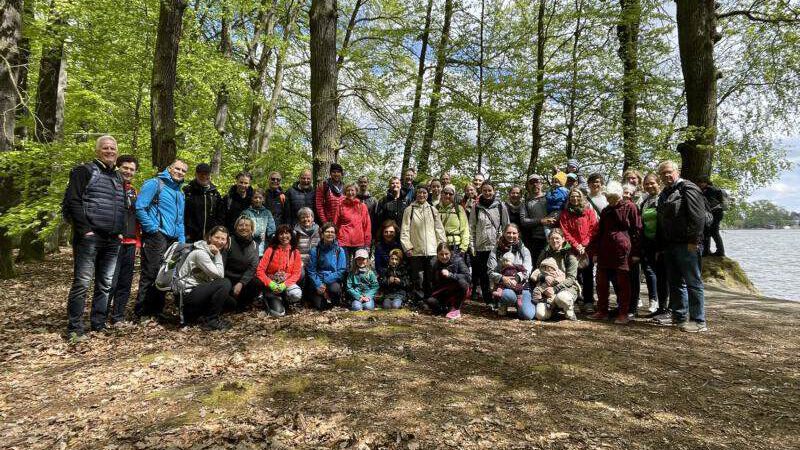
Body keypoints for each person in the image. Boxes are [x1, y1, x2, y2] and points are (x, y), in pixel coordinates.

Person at [62, 135, 126, 341]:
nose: (110, 151)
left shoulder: (117, 177)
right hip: (90, 238)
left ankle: (98, 323)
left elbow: (121, 206)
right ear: (98, 151)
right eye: (105, 148)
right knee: (82, 282)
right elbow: (72, 201)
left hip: (112, 239)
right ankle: (75, 327)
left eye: (113, 148)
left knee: (105, 283)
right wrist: (85, 230)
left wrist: (120, 231)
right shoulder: (85, 171)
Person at [655, 160, 708, 332]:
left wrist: (694, 241)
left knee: (693, 282)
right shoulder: (664, 193)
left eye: (669, 172)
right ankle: (678, 317)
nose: (666, 175)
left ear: (676, 171)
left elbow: (698, 217)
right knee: (675, 282)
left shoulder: (688, 188)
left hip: (688, 244)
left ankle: (699, 321)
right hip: (670, 245)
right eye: (663, 173)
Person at [134, 159, 187, 322]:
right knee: (150, 273)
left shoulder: (180, 192)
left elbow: (179, 220)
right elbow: (140, 206)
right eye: (177, 168)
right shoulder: (155, 183)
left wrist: (182, 240)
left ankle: (157, 310)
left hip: (173, 238)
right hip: (156, 236)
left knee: (166, 274)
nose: (180, 172)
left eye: (184, 171)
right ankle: (142, 312)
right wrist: (152, 228)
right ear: (169, 168)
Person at [588, 181, 641, 325]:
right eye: (608, 197)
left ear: (619, 196)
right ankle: (602, 311)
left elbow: (636, 230)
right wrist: (595, 252)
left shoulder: (630, 207)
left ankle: (623, 313)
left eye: (612, 197)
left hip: (623, 252)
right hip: (605, 251)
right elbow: (600, 232)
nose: (610, 200)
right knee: (601, 282)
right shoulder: (606, 210)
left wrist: (636, 252)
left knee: (623, 283)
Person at [178, 226, 232, 330]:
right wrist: (218, 255)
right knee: (225, 283)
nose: (220, 241)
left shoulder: (211, 252)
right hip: (186, 297)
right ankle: (211, 320)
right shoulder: (200, 253)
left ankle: (200, 315)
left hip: (198, 292)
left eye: (223, 239)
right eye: (217, 237)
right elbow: (220, 276)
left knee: (231, 303)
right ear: (210, 238)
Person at [107, 154, 140, 327]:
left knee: (125, 283)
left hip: (131, 243)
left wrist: (138, 242)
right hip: (112, 242)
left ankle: (118, 316)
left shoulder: (134, 191)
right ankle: (101, 316)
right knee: (109, 281)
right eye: (125, 168)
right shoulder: (109, 186)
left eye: (132, 169)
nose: (128, 171)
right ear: (118, 167)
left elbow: (136, 217)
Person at [401, 185, 446, 301]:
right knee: (418, 277)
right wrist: (407, 247)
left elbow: (439, 229)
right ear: (416, 194)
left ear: (428, 194)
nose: (422, 195)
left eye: (424, 193)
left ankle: (431, 299)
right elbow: (404, 230)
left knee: (431, 277)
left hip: (432, 250)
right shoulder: (409, 210)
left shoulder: (433, 209)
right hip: (415, 250)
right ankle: (419, 301)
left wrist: (442, 247)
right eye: (419, 192)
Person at [525, 229, 580, 321]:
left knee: (562, 298)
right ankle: (553, 309)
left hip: (565, 287)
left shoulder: (570, 256)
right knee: (540, 315)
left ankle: (569, 310)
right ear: (548, 240)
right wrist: (543, 277)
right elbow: (537, 270)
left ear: (563, 239)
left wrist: (554, 289)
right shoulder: (545, 253)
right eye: (552, 238)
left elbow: (571, 279)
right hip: (546, 288)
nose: (554, 241)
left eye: (557, 238)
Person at [558, 187, 598, 312]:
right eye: (572, 196)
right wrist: (576, 245)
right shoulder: (565, 213)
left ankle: (588, 301)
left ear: (581, 198)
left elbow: (593, 229)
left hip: (587, 249)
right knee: (573, 276)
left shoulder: (588, 211)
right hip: (572, 250)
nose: (575, 198)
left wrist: (584, 244)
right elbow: (565, 231)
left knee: (587, 276)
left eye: (577, 196)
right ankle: (572, 301)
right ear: (569, 199)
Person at [470, 181, 509, 305]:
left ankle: (498, 300)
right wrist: (472, 245)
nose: (487, 193)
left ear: (494, 190)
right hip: (481, 246)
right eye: (484, 190)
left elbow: (506, 226)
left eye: (489, 190)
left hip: (496, 246)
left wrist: (504, 243)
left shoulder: (500, 206)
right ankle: (488, 301)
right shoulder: (476, 207)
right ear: (481, 191)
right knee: (484, 275)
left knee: (498, 273)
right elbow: (472, 227)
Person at [256, 225, 303, 316]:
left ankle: (287, 301)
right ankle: (268, 298)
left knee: (296, 294)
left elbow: (296, 273)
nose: (284, 236)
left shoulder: (295, 252)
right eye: (281, 234)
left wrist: (284, 285)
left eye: (287, 233)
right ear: (277, 236)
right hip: (271, 285)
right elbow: (260, 271)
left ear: (291, 235)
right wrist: (270, 283)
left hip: (286, 284)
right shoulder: (270, 250)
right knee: (279, 313)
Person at [639, 173, 669, 318]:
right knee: (657, 275)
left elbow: (664, 224)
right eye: (647, 184)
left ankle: (667, 309)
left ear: (659, 183)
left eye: (652, 183)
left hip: (661, 244)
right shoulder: (645, 201)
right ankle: (661, 308)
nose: (649, 186)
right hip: (648, 243)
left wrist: (661, 247)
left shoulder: (663, 198)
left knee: (664, 276)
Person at [487, 224, 532, 316]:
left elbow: (528, 269)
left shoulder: (524, 250)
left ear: (518, 234)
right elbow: (490, 271)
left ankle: (519, 306)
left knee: (527, 315)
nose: (511, 235)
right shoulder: (496, 250)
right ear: (503, 233)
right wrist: (503, 278)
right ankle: (503, 303)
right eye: (508, 233)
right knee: (507, 295)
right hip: (504, 286)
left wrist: (517, 278)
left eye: (514, 233)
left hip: (522, 286)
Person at [222, 216, 260, 311]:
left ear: (251, 229)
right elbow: (221, 264)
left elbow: (253, 267)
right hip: (227, 279)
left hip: (243, 280)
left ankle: (243, 303)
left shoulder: (255, 245)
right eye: (241, 225)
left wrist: (241, 283)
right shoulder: (229, 241)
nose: (244, 228)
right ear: (236, 227)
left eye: (247, 225)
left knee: (257, 282)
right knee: (230, 304)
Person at [307, 223, 347, 310]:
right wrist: (319, 284)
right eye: (327, 232)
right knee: (321, 307)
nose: (330, 234)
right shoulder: (315, 251)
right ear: (322, 234)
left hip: (333, 280)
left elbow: (341, 270)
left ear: (335, 235)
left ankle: (335, 300)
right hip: (318, 281)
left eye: (332, 232)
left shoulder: (339, 250)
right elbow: (311, 271)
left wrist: (325, 281)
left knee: (335, 289)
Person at [426, 243, 471, 319]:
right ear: (437, 254)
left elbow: (467, 277)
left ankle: (455, 308)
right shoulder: (434, 264)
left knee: (462, 283)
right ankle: (445, 308)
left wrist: (450, 275)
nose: (444, 257)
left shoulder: (458, 260)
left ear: (450, 253)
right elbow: (432, 282)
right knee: (430, 301)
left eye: (446, 254)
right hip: (443, 292)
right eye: (441, 254)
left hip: (457, 290)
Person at [182, 163, 223, 243]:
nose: (204, 177)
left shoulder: (214, 193)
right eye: (201, 174)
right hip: (190, 237)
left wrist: (216, 233)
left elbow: (220, 215)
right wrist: (186, 233)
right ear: (196, 174)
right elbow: (181, 214)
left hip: (210, 238)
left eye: (206, 174)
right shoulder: (187, 191)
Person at [335, 183, 372, 262]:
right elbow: (336, 224)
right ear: (345, 192)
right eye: (348, 190)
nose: (350, 192)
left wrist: (367, 243)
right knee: (344, 267)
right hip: (343, 241)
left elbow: (367, 226)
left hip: (359, 241)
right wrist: (336, 239)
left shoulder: (362, 206)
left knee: (359, 266)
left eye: (352, 190)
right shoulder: (340, 205)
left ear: (356, 192)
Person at [520, 174, 548, 262]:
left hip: (553, 238)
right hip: (535, 240)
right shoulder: (525, 203)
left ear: (541, 184)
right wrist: (541, 221)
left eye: (537, 182)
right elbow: (524, 221)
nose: (535, 184)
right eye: (532, 182)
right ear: (528, 185)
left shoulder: (550, 197)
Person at [437, 184, 470, 259]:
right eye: (445, 193)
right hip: (439, 245)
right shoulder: (435, 208)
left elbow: (465, 229)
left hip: (455, 246)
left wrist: (463, 247)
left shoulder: (459, 209)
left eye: (450, 194)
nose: (447, 195)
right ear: (441, 194)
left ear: (454, 196)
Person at [242, 188, 276, 256]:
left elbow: (271, 229)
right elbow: (244, 229)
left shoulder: (267, 213)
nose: (258, 200)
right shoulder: (246, 213)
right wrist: (256, 234)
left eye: (260, 198)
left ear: (263, 199)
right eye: (255, 197)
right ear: (252, 199)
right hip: (249, 246)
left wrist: (273, 236)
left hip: (263, 248)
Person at [697, 176, 725, 256]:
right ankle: (707, 251)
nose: (700, 184)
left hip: (715, 213)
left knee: (713, 232)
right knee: (708, 232)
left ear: (706, 182)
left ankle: (720, 251)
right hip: (715, 213)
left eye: (701, 182)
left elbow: (709, 203)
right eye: (699, 183)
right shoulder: (712, 189)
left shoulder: (710, 190)